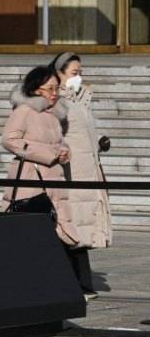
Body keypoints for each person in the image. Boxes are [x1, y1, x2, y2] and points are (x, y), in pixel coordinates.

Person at [2, 65, 80, 278]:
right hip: (31, 180)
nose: (55, 93)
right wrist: (48, 154)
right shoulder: (24, 111)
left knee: (58, 231)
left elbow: (58, 142)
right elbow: (9, 140)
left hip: (54, 179)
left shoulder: (53, 114)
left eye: (57, 88)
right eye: (50, 89)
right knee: (34, 233)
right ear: (36, 89)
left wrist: (64, 152)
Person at [49, 51, 112, 296]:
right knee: (72, 228)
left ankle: (81, 284)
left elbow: (82, 132)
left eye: (80, 72)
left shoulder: (81, 99)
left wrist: (100, 140)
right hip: (70, 174)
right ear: (59, 73)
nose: (79, 77)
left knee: (80, 228)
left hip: (88, 173)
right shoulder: (57, 102)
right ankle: (77, 285)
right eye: (74, 73)